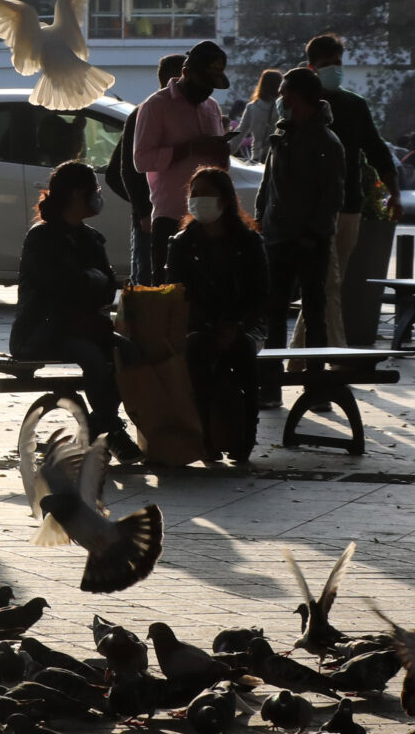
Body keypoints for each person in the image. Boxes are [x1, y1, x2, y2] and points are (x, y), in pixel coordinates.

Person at [12, 161, 138, 465]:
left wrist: (88, 280)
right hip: (45, 330)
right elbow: (57, 288)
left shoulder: (91, 238)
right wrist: (88, 280)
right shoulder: (42, 238)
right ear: (75, 194)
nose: (98, 196)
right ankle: (111, 432)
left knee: (130, 354)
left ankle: (101, 424)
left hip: (86, 326)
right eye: (93, 190)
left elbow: (107, 288)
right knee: (95, 360)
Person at [165, 166, 268, 463]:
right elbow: (178, 294)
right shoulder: (182, 243)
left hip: (244, 325)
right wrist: (210, 326)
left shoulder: (249, 242)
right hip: (200, 326)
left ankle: (245, 437)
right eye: (193, 195)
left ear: (224, 199)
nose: (198, 201)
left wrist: (236, 326)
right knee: (198, 350)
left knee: (244, 352)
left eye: (206, 195)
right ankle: (205, 436)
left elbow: (259, 294)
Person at [304, 34, 401, 343]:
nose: (334, 69)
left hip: (349, 205)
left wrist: (394, 193)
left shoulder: (355, 105)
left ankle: (300, 355)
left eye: (338, 64)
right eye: (326, 65)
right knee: (326, 282)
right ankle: (336, 351)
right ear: (311, 67)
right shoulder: (300, 105)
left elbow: (376, 150)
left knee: (331, 282)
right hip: (313, 208)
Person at [254, 67, 345, 398]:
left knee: (314, 310)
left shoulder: (326, 142)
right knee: (273, 313)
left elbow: (331, 196)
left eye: (285, 94)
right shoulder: (282, 135)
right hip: (275, 239)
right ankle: (270, 386)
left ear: (300, 98)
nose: (280, 99)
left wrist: (312, 234)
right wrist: (260, 220)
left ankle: (317, 387)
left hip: (309, 243)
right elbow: (268, 185)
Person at [131, 39, 231, 277]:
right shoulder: (156, 106)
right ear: (186, 72)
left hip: (208, 218)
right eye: (204, 82)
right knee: (170, 296)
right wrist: (188, 148)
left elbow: (219, 166)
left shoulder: (212, 107)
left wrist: (221, 153)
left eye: (213, 85)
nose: (208, 89)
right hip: (171, 217)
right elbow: (141, 160)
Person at [105, 54, 184, 285]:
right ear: (173, 78)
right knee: (149, 289)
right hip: (151, 221)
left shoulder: (189, 111)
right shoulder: (145, 113)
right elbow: (120, 172)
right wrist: (142, 211)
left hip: (179, 217)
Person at [235, 69, 280, 161]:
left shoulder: (252, 107)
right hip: (277, 157)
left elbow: (240, 133)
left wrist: (226, 151)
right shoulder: (284, 108)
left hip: (256, 157)